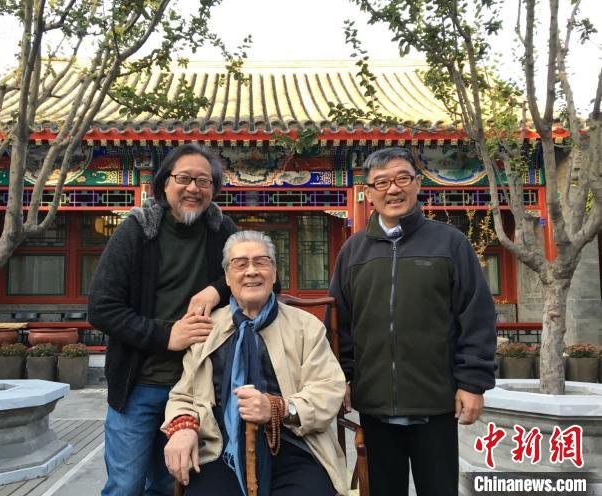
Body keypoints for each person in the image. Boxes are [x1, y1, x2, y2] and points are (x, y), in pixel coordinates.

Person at [328, 147, 496, 496]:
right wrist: (341, 376)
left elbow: (476, 315)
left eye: (402, 178)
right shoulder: (354, 251)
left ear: (418, 184)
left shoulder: (449, 243)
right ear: (368, 192)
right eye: (382, 182)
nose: (393, 189)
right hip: (374, 405)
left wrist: (473, 382)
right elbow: (338, 323)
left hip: (436, 403)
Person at [88, 143, 237, 496]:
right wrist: (166, 337)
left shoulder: (221, 230)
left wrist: (216, 289)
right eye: (184, 178)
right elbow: (102, 307)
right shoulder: (137, 230)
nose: (193, 188)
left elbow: (266, 278)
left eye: (204, 181)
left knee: (173, 486)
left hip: (195, 387)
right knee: (125, 486)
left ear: (213, 189)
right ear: (164, 183)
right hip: (139, 383)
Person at [162, 231, 348, 496]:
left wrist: (277, 408)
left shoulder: (306, 327)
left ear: (274, 273)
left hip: (294, 444)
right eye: (240, 264)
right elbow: (184, 395)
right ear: (227, 278)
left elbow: (328, 389)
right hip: (220, 447)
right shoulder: (207, 329)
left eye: (261, 262)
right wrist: (183, 427)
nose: (251, 271)